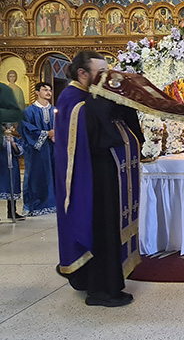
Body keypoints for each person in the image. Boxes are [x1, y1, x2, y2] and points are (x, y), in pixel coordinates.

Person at [55, 51, 144, 307]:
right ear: (82, 74)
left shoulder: (89, 97)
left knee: (108, 230)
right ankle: (101, 290)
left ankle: (105, 281)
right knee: (99, 230)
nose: (105, 78)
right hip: (91, 184)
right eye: (100, 73)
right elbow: (92, 134)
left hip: (106, 179)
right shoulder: (74, 99)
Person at [20, 82, 56, 216]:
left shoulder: (55, 111)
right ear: (36, 92)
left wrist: (57, 134)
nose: (48, 92)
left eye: (50, 90)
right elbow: (25, 130)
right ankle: (34, 205)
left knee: (54, 173)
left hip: (54, 149)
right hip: (37, 151)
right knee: (37, 175)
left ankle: (54, 203)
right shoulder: (28, 112)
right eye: (45, 89)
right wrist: (46, 134)